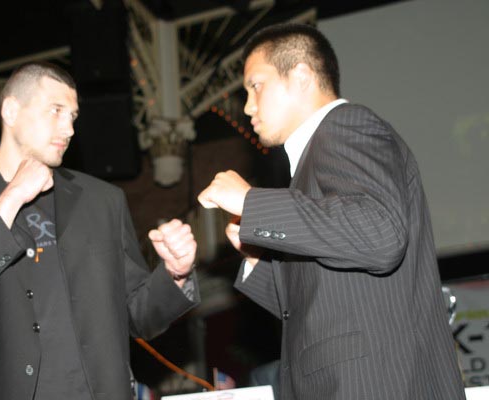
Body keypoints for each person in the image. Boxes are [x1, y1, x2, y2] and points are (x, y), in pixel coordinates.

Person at [198, 23, 465, 400]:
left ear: (302, 76)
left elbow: (381, 235)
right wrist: (255, 260)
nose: (247, 106)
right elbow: (311, 310)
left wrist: (250, 202)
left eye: (255, 86)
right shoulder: (311, 169)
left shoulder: (344, 127)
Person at [0, 62, 200, 399]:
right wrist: (11, 197)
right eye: (56, 111)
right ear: (11, 111)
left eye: (73, 116)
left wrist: (175, 275)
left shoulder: (102, 200)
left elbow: (137, 316)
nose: (69, 129)